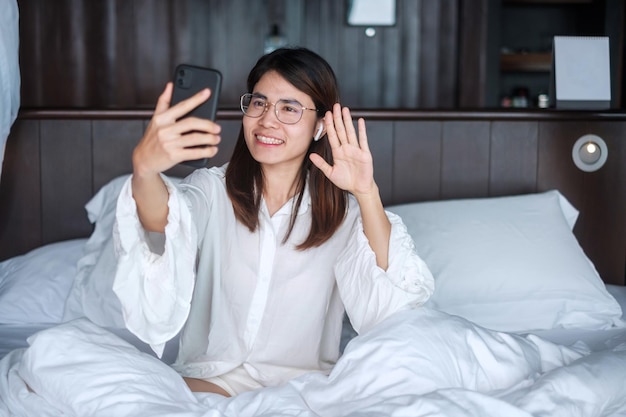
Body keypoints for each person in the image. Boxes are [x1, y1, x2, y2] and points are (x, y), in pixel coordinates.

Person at [113, 47, 434, 397]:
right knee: (66, 354)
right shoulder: (212, 190)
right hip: (212, 383)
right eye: (259, 103)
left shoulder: (344, 213)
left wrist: (367, 193)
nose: (268, 120)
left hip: (306, 391)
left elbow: (393, 305)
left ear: (320, 126)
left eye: (289, 108)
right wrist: (145, 171)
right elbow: (164, 221)